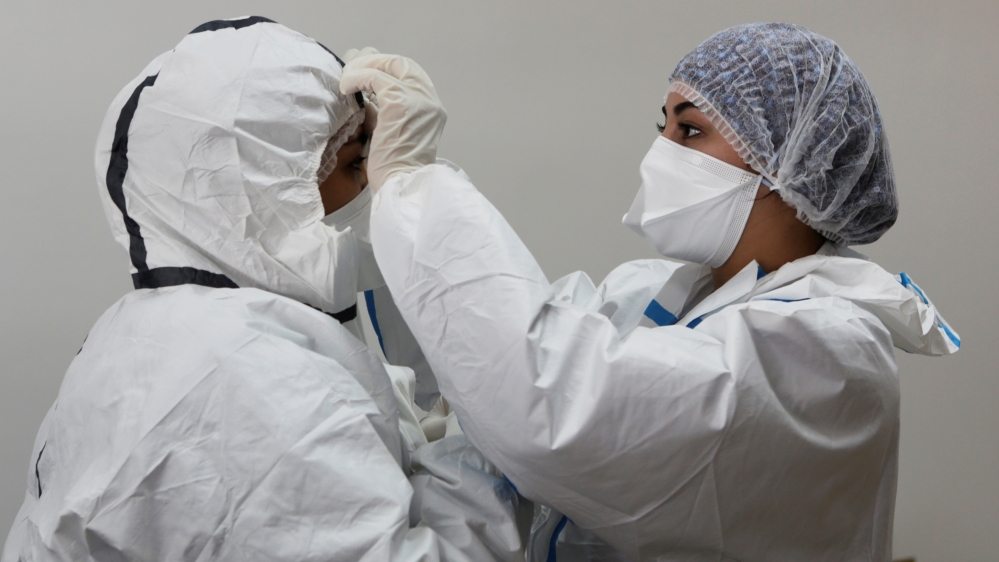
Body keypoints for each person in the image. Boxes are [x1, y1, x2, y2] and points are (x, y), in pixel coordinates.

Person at [340, 23, 961, 561]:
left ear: (788, 159)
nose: (659, 155)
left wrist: (414, 187)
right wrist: (377, 199)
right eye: (661, 126)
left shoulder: (827, 351)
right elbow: (471, 365)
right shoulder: (658, 295)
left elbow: (549, 403)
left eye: (689, 132)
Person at [2, 17, 527, 562]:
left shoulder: (156, 330)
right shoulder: (250, 372)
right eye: (358, 161)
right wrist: (489, 449)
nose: (379, 181)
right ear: (264, 199)